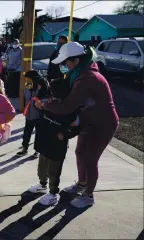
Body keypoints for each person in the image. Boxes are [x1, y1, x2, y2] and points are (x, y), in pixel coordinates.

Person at [35, 42, 119, 208]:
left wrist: (45, 105)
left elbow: (67, 107)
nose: (64, 65)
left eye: (66, 62)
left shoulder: (87, 78)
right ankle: (81, 184)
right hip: (88, 121)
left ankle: (88, 196)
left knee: (90, 158)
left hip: (103, 124)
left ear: (76, 60)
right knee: (80, 152)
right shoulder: (80, 73)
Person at [27, 77, 81, 205]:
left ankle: (53, 194)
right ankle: (42, 185)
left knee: (54, 171)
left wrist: (66, 134)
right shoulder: (48, 103)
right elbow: (40, 115)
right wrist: (39, 107)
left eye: (52, 91)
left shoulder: (70, 110)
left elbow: (76, 127)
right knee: (42, 167)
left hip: (57, 146)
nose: (51, 94)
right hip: (44, 141)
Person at [17, 70, 49, 157]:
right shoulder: (28, 85)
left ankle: (38, 150)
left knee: (39, 134)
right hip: (29, 115)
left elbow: (46, 98)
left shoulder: (42, 85)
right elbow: (25, 96)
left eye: (28, 78)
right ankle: (24, 148)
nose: (26, 80)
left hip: (39, 115)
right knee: (27, 132)